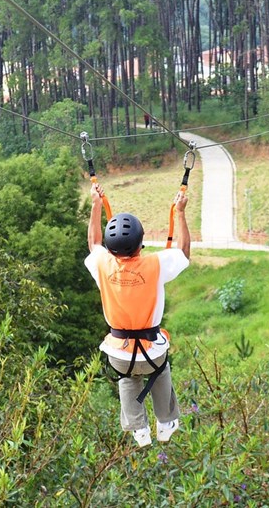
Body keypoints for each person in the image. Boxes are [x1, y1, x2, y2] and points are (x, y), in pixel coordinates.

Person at [85, 182, 191, 447]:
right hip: (152, 352)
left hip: (118, 353)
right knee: (161, 369)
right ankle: (165, 421)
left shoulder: (101, 264)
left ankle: (138, 428)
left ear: (111, 248)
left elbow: (93, 243)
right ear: (141, 244)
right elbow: (184, 253)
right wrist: (180, 213)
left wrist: (96, 205)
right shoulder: (155, 264)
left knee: (128, 377)